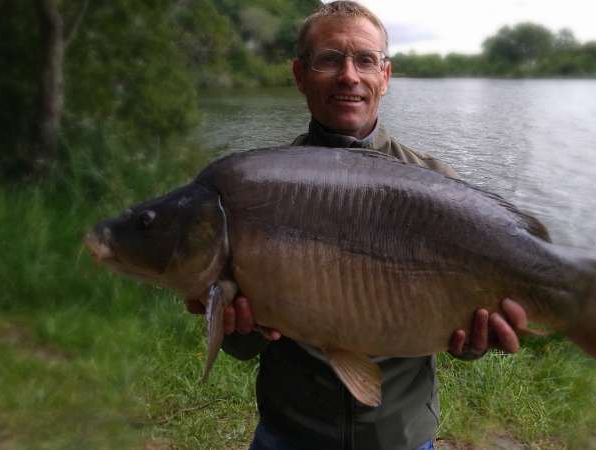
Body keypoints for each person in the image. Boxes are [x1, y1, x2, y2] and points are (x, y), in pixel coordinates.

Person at [185, 2, 528, 449]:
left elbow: (465, 339)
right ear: (300, 75)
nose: (349, 76)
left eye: (365, 60)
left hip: (400, 437)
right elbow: (245, 347)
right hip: (290, 434)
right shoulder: (258, 192)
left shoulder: (439, 186)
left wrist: (475, 342)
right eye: (330, 59)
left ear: (385, 75)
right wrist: (239, 329)